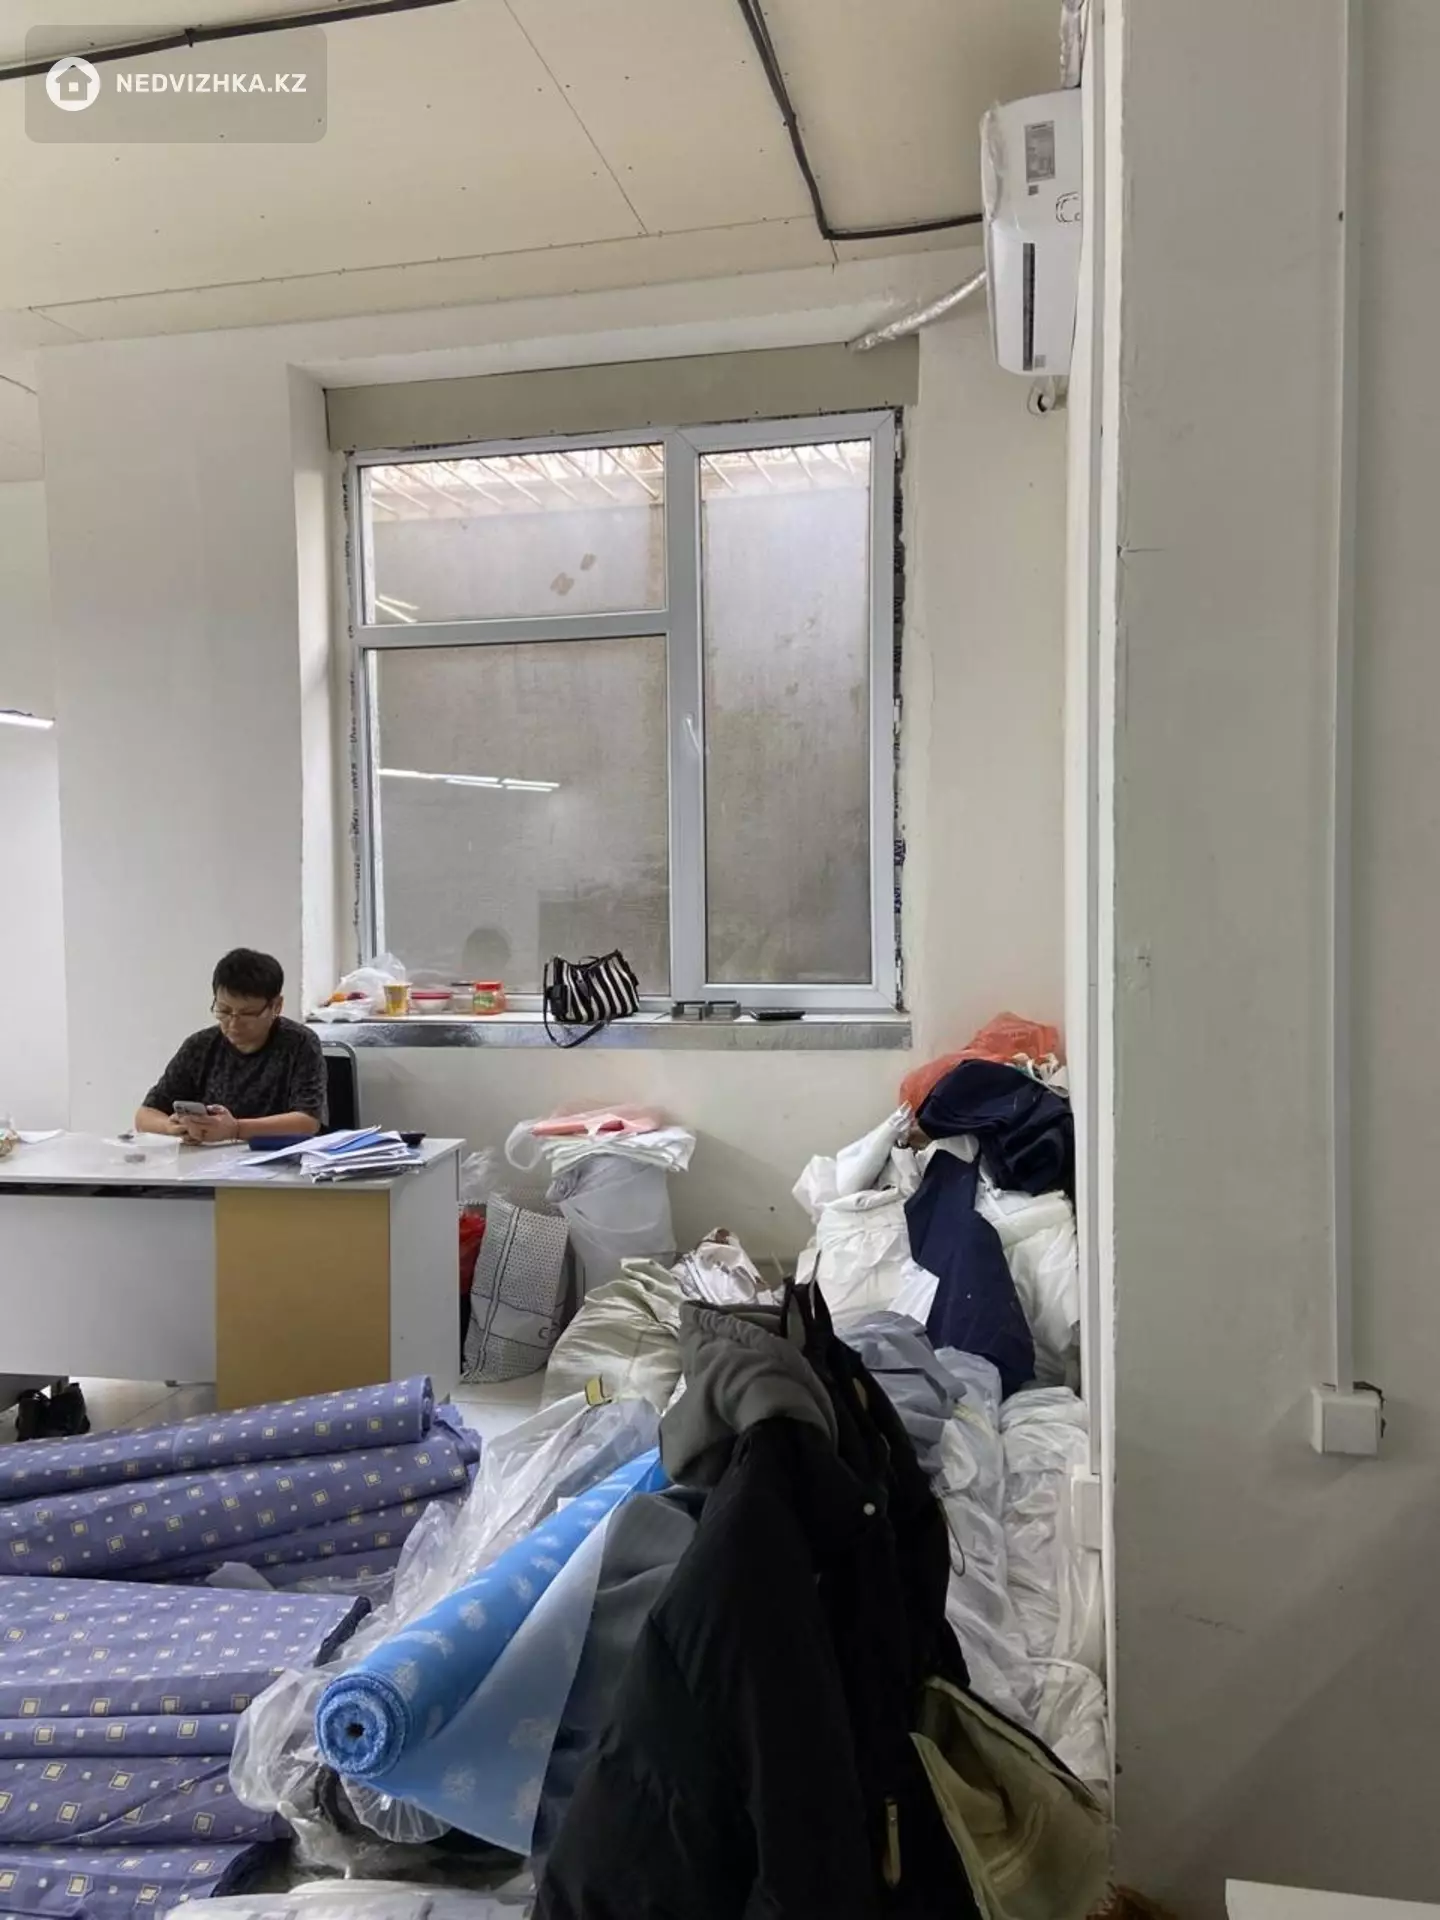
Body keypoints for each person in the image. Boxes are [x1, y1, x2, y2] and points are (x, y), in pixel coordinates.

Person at [136, 948, 328, 1143]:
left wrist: (236, 1129)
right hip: (212, 1157)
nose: (234, 1024)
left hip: (277, 1155)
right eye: (224, 1011)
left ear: (276, 1006)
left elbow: (308, 1121)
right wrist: (170, 1127)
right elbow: (145, 1114)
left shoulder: (300, 1043)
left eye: (248, 1014)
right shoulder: (200, 1046)